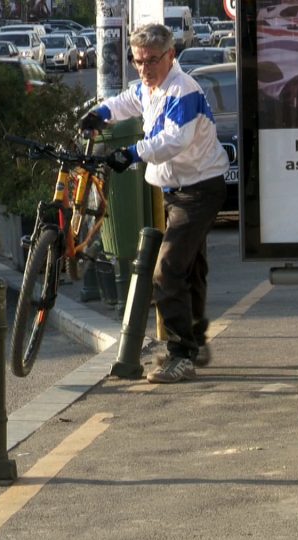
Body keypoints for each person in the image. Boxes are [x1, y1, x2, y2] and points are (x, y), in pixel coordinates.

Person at [80, 23, 229, 384]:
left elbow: (173, 141)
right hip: (179, 190)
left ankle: (181, 353)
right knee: (189, 269)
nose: (144, 68)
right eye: (138, 61)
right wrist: (99, 114)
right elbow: (126, 101)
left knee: (167, 270)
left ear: (171, 56)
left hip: (199, 189)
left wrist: (131, 153)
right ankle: (191, 342)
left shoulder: (183, 91)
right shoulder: (150, 87)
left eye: (152, 61)